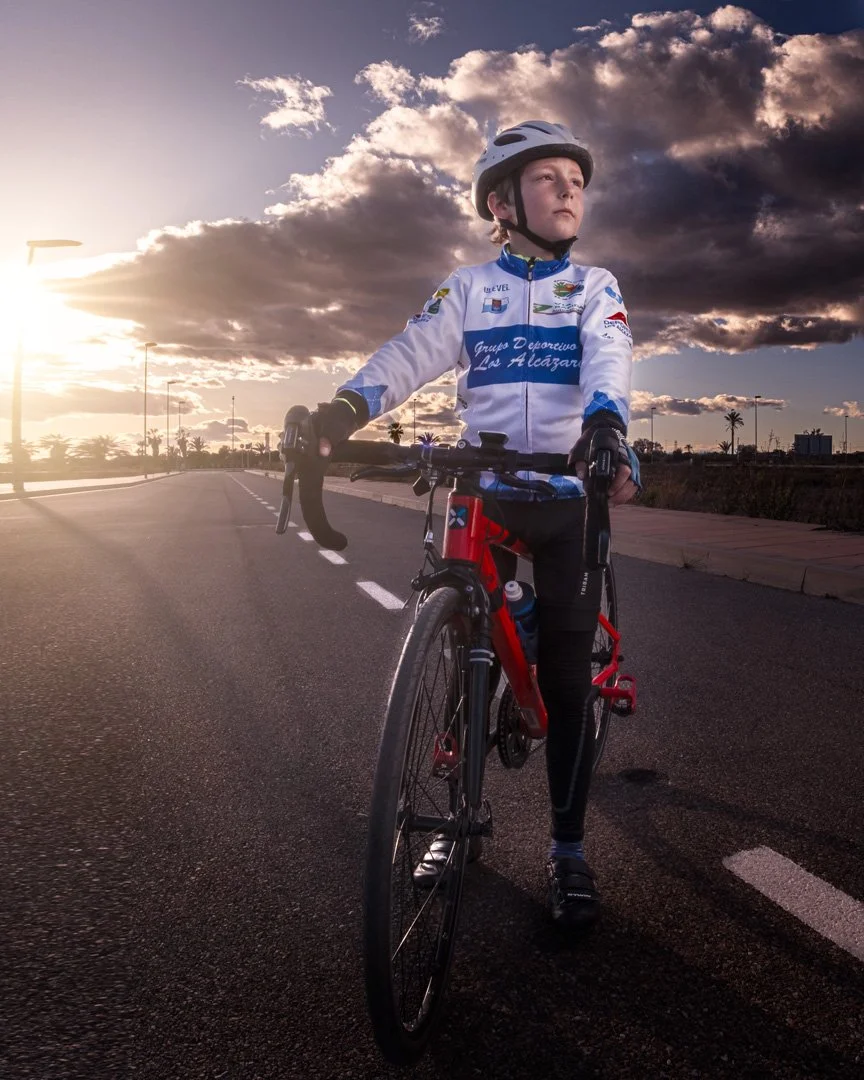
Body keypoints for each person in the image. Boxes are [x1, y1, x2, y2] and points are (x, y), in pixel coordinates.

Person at [312, 120, 639, 930]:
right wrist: (342, 411)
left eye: (577, 181)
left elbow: (609, 355)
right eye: (550, 178)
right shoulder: (468, 288)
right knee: (467, 656)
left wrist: (605, 424)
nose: (570, 192)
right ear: (501, 202)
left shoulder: (593, 286)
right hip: (485, 489)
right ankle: (455, 821)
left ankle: (567, 849)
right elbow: (412, 350)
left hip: (566, 493)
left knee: (566, 681)